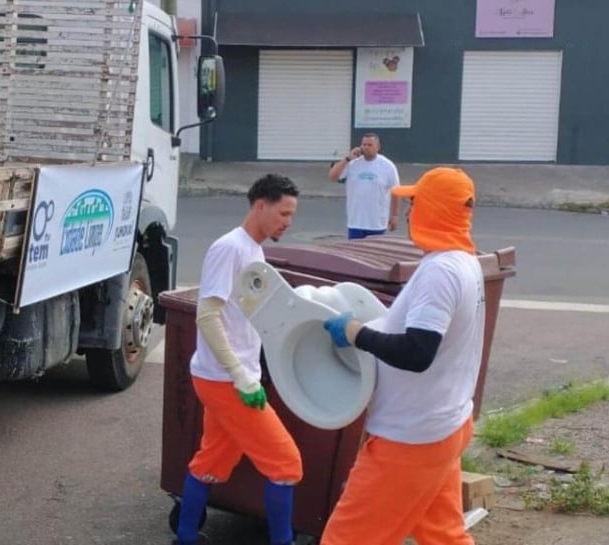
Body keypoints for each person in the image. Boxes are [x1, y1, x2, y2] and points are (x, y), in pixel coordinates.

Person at [319, 167, 486, 545]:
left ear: (435, 209)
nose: (409, 212)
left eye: (415, 203)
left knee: (345, 540)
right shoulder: (464, 261)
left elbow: (417, 352)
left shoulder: (440, 271)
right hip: (444, 426)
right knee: (443, 536)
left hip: (410, 440)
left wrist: (356, 334)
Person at [174, 173, 304, 545]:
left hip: (229, 376)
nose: (288, 222)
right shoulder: (230, 248)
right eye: (284, 213)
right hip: (226, 380)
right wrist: (240, 375)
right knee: (286, 464)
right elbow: (207, 315)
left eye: (292, 215)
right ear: (260, 205)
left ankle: (185, 537)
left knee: (213, 461)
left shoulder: (254, 250)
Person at [327, 133, 400, 240]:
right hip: (356, 222)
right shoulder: (352, 164)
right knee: (354, 254)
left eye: (370, 145)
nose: (366, 147)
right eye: (364, 144)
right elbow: (332, 177)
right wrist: (347, 159)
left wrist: (395, 215)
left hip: (376, 223)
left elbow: (396, 191)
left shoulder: (387, 166)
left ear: (377, 147)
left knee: (373, 255)